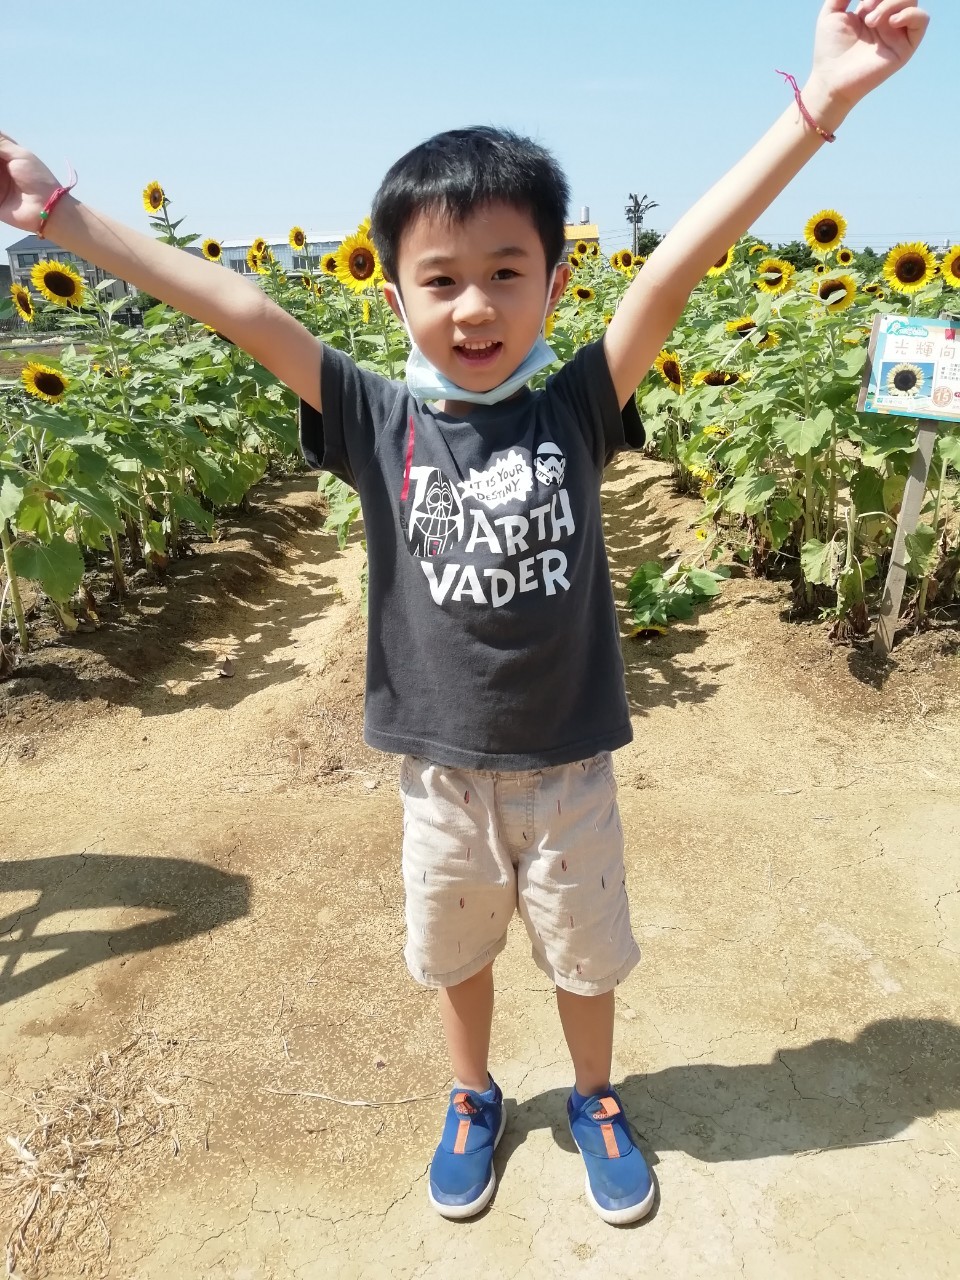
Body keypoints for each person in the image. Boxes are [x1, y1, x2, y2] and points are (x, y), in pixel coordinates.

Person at [0, 0, 929, 1226]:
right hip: (441, 771)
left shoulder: (578, 406)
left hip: (570, 766)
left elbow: (681, 262)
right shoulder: (378, 419)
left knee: (586, 954)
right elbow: (239, 308)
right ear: (396, 299)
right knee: (457, 952)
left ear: (555, 282)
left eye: (505, 272)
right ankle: (472, 1093)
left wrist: (822, 103)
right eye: (440, 279)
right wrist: (61, 217)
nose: (475, 306)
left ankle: (595, 1096)